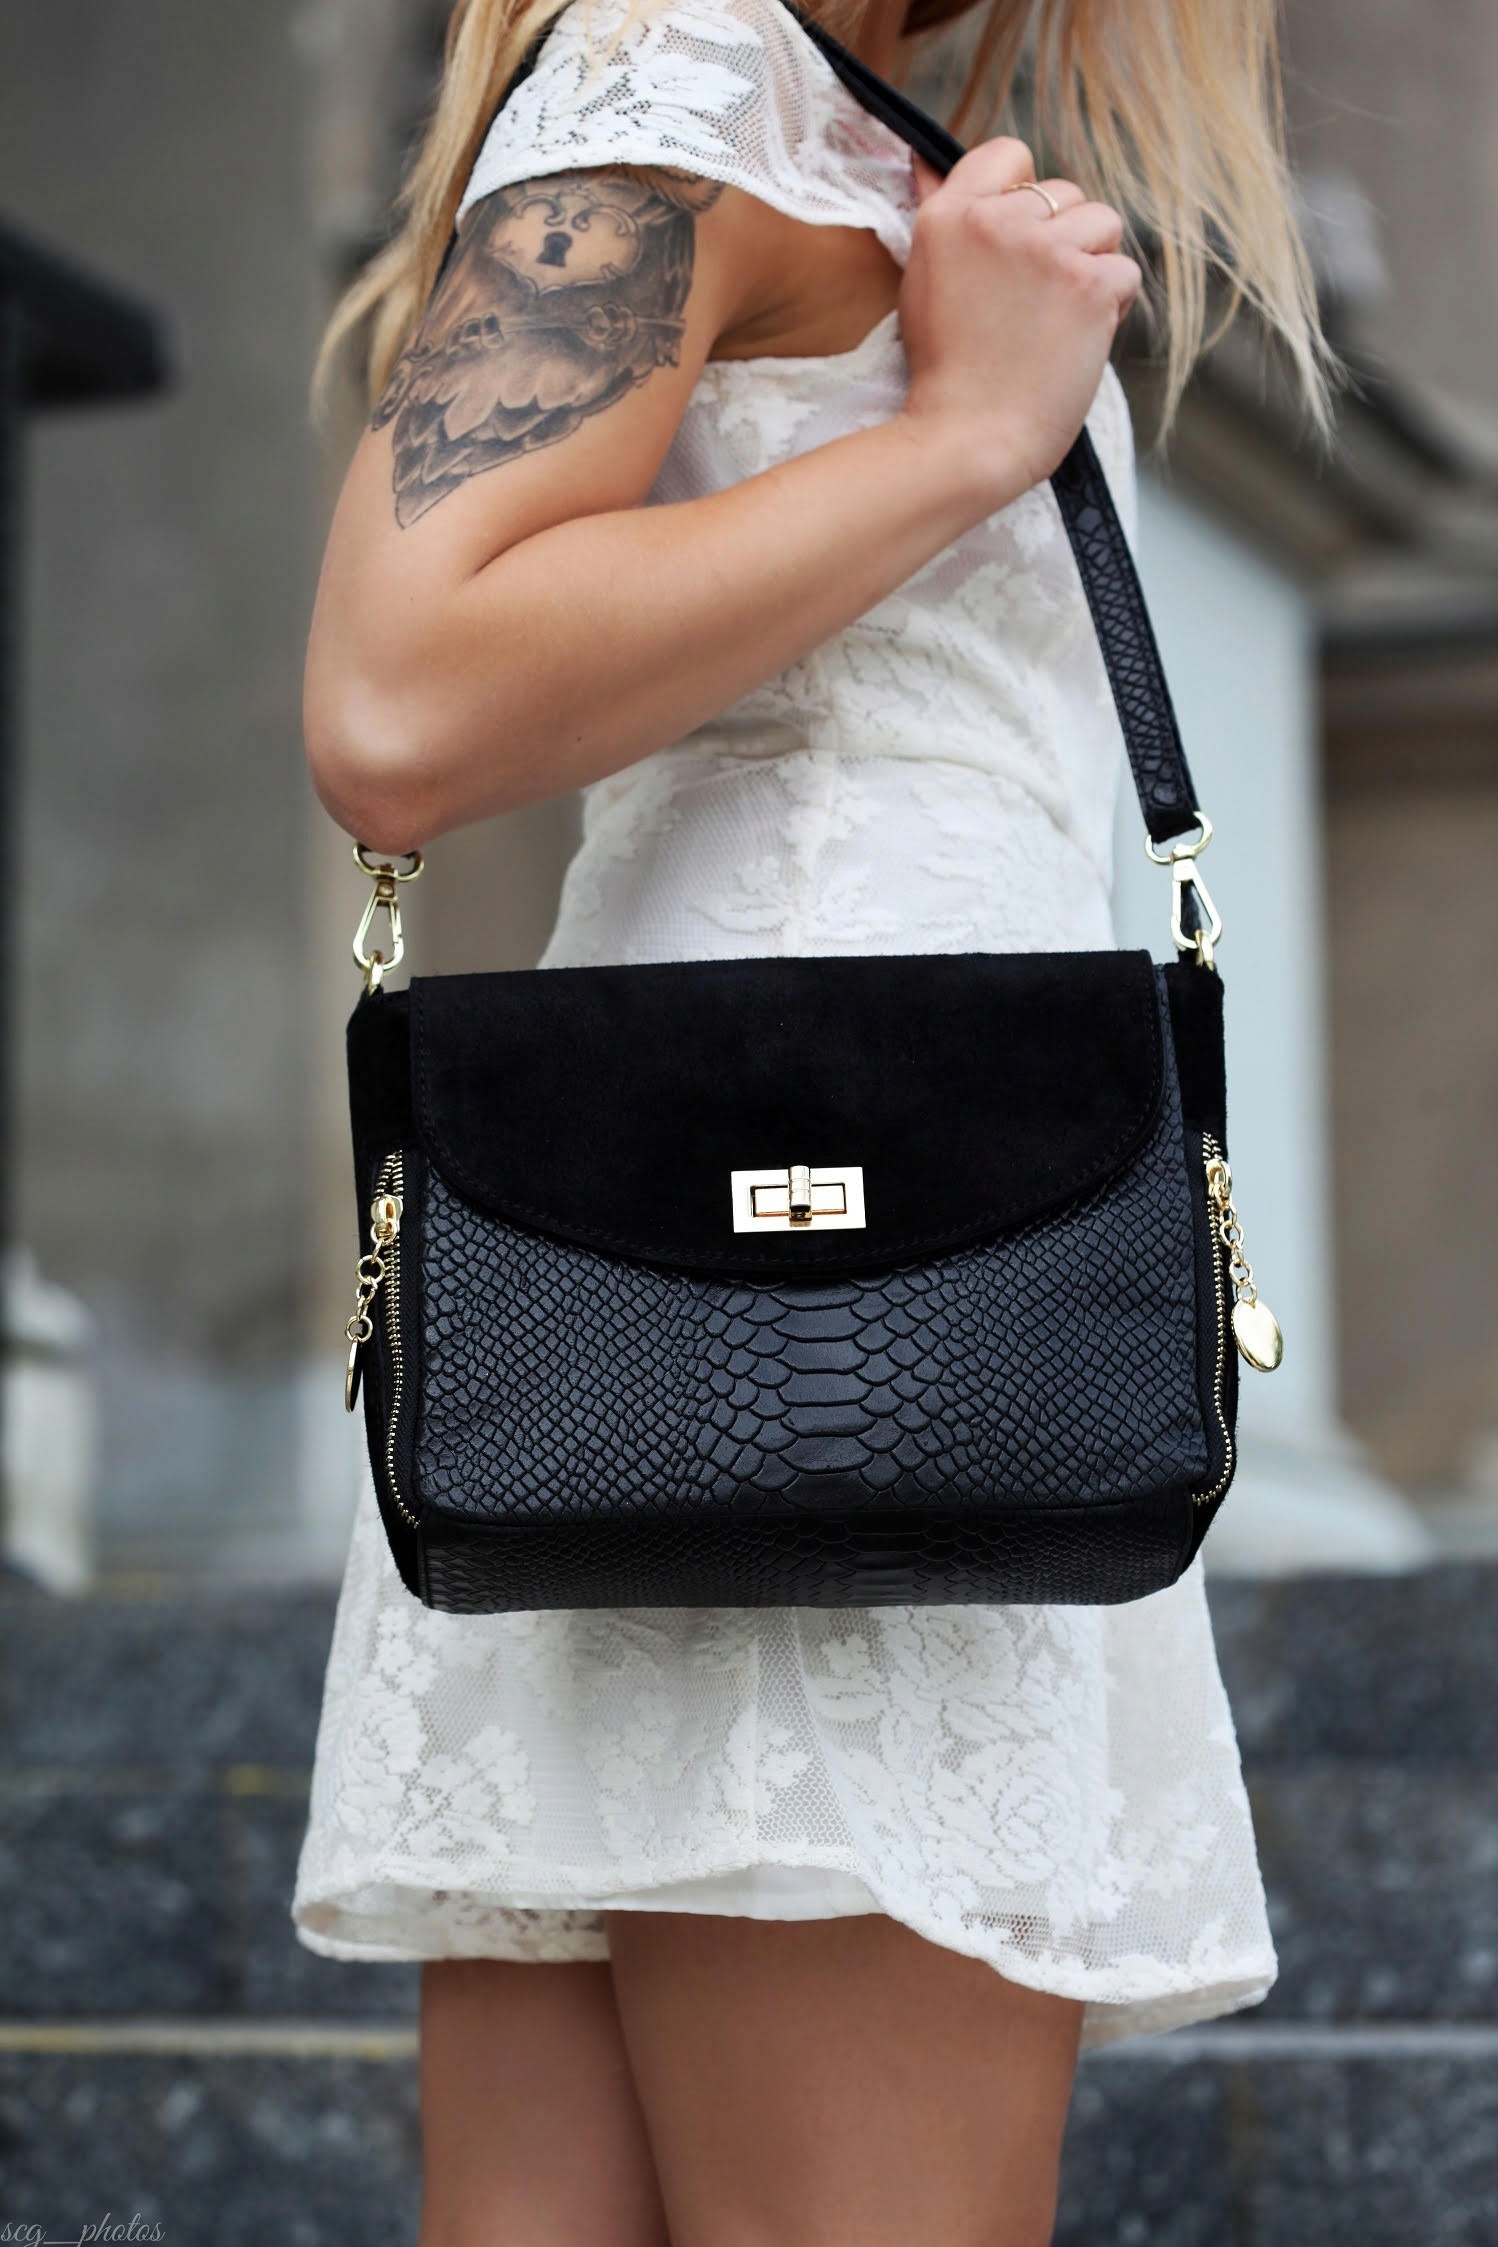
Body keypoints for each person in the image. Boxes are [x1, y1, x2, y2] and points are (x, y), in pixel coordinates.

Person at [292, 0, 1326, 2238]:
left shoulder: (827, 122)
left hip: (722, 1272)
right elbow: (396, 691)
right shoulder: (682, 73)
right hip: (866, 1290)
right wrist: (960, 433)